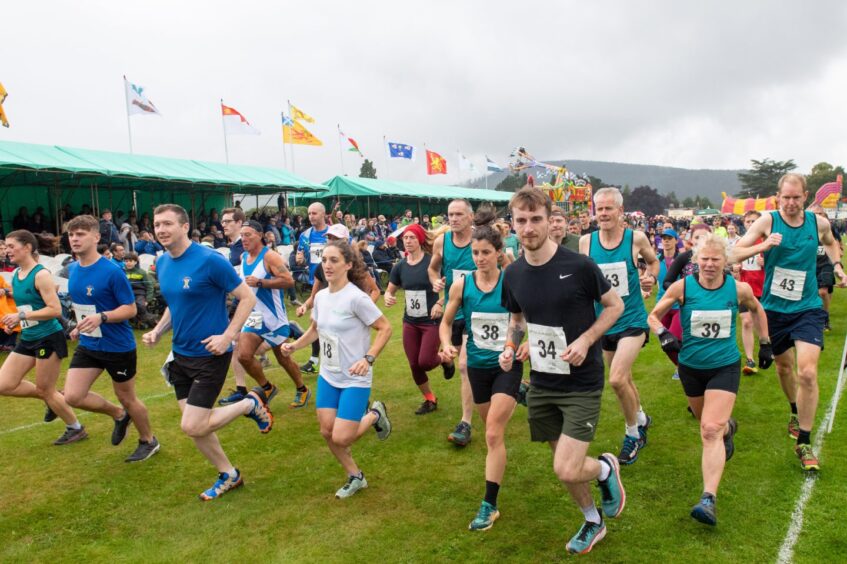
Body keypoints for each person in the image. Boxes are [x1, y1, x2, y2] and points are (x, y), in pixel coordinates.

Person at [499, 187, 625, 555]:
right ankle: (592, 519)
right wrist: (511, 345)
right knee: (561, 463)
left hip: (581, 381)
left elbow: (614, 306)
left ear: (550, 220)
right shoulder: (514, 274)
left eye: (536, 219)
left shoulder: (579, 266)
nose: (528, 228)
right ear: (513, 224)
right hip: (541, 379)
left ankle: (604, 470)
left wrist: (587, 340)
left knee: (567, 468)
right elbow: (517, 317)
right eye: (521, 221)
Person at [142, 204, 273, 500]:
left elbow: (247, 297)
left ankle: (248, 405)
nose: (161, 229)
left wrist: (228, 336)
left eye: (167, 224)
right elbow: (175, 305)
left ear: (185, 226)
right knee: (197, 428)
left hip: (210, 355)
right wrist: (158, 330)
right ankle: (229, 474)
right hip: (180, 355)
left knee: (192, 424)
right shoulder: (163, 263)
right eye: (157, 224)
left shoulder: (210, 260)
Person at [649, 234, 773, 525]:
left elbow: (757, 308)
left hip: (724, 366)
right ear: (695, 261)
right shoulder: (684, 287)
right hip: (690, 367)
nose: (709, 264)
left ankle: (708, 499)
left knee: (709, 430)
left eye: (715, 259)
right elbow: (653, 315)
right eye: (704, 259)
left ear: (725, 261)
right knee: (706, 421)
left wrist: (765, 342)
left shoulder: (737, 289)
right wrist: (663, 334)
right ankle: (728, 428)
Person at [733, 173, 846, 471]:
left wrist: (837, 266)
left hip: (808, 308)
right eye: (787, 198)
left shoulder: (817, 223)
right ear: (778, 197)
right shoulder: (767, 222)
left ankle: (804, 442)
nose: (792, 203)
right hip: (773, 310)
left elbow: (832, 242)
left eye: (797, 198)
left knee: (807, 372)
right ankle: (794, 410)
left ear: (806, 197)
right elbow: (734, 252)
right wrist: (763, 246)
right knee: (784, 367)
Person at [281, 240, 393, 499]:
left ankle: (375, 414)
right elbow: (316, 330)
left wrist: (368, 358)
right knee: (326, 431)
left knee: (342, 438)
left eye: (334, 261)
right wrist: (294, 346)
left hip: (355, 377)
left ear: (349, 265)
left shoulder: (357, 298)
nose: (328, 266)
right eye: (325, 260)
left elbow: (385, 328)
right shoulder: (320, 297)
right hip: (329, 375)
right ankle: (356, 476)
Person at [439, 212, 521, 531]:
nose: (480, 258)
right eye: (475, 253)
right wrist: (446, 344)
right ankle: (520, 395)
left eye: (486, 252)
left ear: (498, 252)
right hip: (478, 367)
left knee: (491, 433)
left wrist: (511, 348)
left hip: (507, 366)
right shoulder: (462, 286)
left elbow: (518, 321)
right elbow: (446, 322)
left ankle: (489, 505)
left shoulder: (511, 281)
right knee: (492, 432)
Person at [63, 215, 159, 461]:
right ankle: (118, 415)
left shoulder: (112, 271)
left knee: (127, 397)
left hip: (117, 346)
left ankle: (148, 440)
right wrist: (79, 325)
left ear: (96, 237)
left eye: (81, 234)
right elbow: (85, 305)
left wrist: (102, 318)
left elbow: (131, 309)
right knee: (72, 396)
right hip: (89, 342)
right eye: (72, 234)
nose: (74, 238)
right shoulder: (73, 269)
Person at [580, 187, 657, 465]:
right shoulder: (586, 243)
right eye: (599, 208)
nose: (603, 214)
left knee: (616, 378)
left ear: (620, 211)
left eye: (608, 208)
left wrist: (650, 277)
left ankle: (633, 433)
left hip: (633, 319)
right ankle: (642, 418)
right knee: (625, 378)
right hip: (604, 322)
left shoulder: (635, 238)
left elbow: (653, 262)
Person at [0, 230, 86, 445]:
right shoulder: (18, 274)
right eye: (6, 247)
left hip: (48, 337)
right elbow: (30, 307)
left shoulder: (41, 274)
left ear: (27, 247)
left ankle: (75, 428)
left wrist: (20, 315)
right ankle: (53, 397)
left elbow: (55, 309)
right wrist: (18, 322)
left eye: (11, 246)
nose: (7, 250)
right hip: (29, 337)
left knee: (44, 389)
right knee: (4, 384)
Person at [234, 221, 310, 409]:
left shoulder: (270, 257)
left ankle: (302, 388)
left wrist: (261, 282)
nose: (244, 239)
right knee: (243, 356)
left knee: (282, 358)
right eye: (242, 235)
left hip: (274, 318)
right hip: (255, 317)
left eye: (248, 234)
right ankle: (266, 387)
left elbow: (289, 281)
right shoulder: (244, 257)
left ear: (260, 235)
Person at [385, 224, 446, 415]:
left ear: (420, 240)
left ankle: (445, 359)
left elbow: (453, 287)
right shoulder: (400, 266)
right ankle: (430, 398)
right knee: (414, 364)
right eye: (405, 238)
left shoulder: (431, 263)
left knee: (426, 361)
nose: (408, 241)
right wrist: (388, 296)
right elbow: (390, 289)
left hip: (431, 321)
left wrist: (440, 303)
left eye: (412, 237)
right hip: (410, 321)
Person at [429, 199, 476, 446]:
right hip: (452, 312)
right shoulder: (442, 242)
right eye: (450, 215)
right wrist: (436, 282)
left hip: (476, 313)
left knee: (465, 365)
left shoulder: (481, 241)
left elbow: (502, 268)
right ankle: (446, 362)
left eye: (459, 214)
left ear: (470, 217)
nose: (454, 219)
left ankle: (465, 423)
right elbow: (432, 269)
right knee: (452, 357)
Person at [296, 202, 330, 374]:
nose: (311, 216)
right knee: (315, 322)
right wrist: (299, 259)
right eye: (309, 213)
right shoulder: (305, 235)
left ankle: (318, 359)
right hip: (315, 282)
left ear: (323, 214)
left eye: (314, 213)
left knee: (318, 322)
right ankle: (317, 359)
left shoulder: (333, 233)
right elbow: (300, 257)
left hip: (332, 282)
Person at [734, 211, 766, 374]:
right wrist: (735, 268)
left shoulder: (768, 242)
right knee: (746, 321)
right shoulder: (740, 243)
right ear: (744, 223)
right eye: (748, 221)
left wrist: (766, 262)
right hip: (745, 289)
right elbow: (733, 264)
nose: (751, 224)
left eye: (754, 221)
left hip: (764, 288)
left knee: (763, 322)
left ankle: (766, 347)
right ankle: (750, 360)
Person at [808, 204, 841, 332]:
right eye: (814, 214)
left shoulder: (828, 227)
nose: (818, 216)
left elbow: (835, 243)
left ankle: (825, 318)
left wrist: (838, 260)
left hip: (825, 264)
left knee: (823, 292)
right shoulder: (804, 228)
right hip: (809, 265)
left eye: (820, 214)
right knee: (811, 294)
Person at [656, 228, 682, 376]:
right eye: (663, 238)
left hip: (679, 305)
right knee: (665, 343)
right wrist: (646, 289)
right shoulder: (656, 259)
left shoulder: (683, 259)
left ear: (676, 241)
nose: (666, 241)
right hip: (662, 305)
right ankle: (680, 366)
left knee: (674, 337)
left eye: (669, 238)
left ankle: (683, 366)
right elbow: (650, 275)